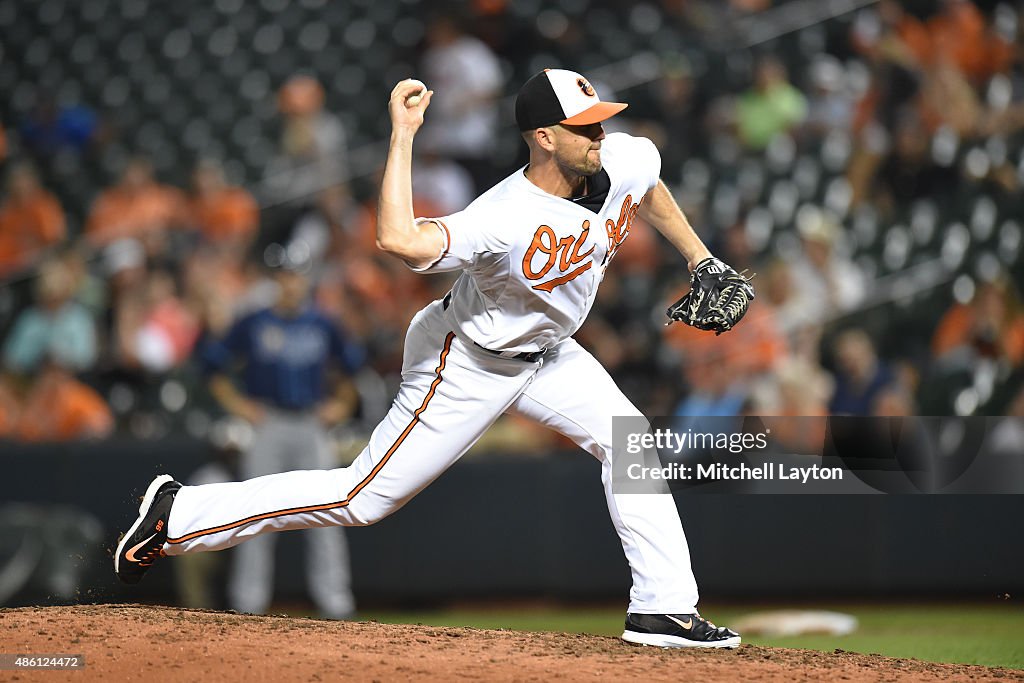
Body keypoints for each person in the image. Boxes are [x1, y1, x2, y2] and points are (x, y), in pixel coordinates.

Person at [114, 69, 746, 648]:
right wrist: (404, 134)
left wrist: (701, 259)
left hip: (550, 355)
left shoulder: (623, 156)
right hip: (466, 356)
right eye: (585, 126)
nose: (600, 133)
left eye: (602, 119)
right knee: (361, 498)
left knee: (630, 440)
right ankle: (180, 513)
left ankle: (664, 608)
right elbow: (397, 238)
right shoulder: (502, 217)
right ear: (545, 137)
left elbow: (649, 185)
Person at [199, 256, 361, 620]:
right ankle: (247, 604)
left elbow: (351, 368)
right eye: (285, 275)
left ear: (305, 280)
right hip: (269, 422)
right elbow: (211, 365)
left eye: (297, 276)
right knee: (254, 515)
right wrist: (239, 405)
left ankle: (337, 605)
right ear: (277, 280)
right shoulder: (255, 322)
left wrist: (342, 404)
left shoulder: (322, 322)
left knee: (327, 514)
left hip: (309, 422)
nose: (291, 283)